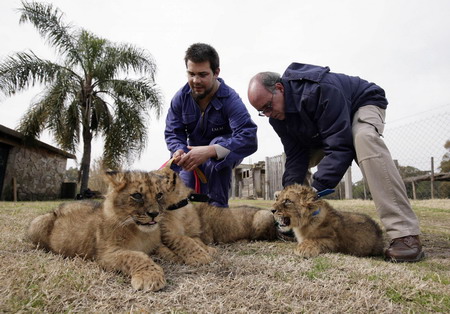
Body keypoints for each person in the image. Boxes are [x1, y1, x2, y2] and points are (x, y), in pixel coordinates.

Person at [247, 63, 424, 262]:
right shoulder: (277, 117)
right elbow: (297, 154)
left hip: (361, 104)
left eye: (268, 106)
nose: (268, 114)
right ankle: (298, 223)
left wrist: (314, 192)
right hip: (324, 129)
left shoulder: (321, 89)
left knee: (363, 139)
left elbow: (339, 146)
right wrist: (290, 195)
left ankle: (404, 233)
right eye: (262, 111)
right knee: (290, 161)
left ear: (279, 89)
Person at [165, 43, 257, 207]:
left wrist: (211, 151)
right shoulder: (180, 98)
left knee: (217, 155)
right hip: (191, 155)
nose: (195, 80)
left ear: (216, 72)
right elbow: (173, 133)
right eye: (191, 74)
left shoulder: (231, 100)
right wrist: (178, 149)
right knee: (184, 195)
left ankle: (218, 212)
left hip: (225, 153)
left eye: (202, 74)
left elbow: (248, 138)